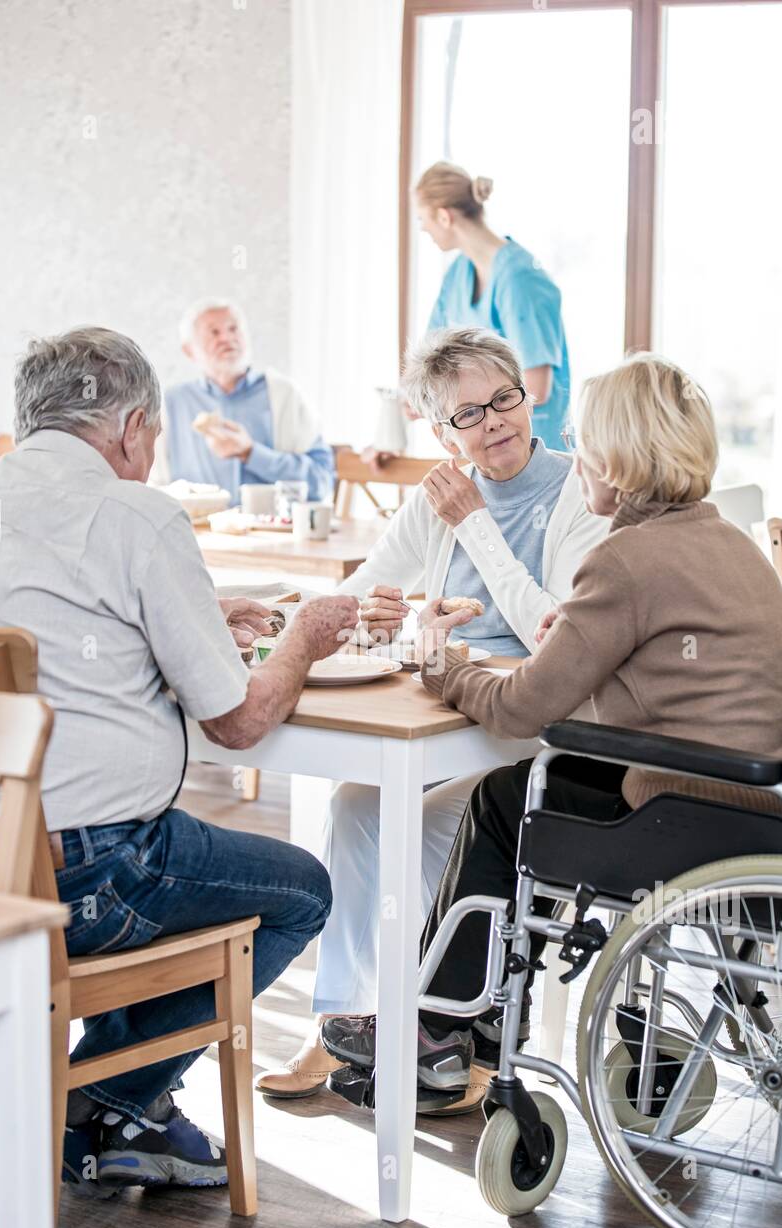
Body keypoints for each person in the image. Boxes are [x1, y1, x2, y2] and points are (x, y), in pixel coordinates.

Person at [320, 352, 782, 1108]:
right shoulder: (732, 543)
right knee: (517, 787)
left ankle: (442, 1028)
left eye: (585, 440)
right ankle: (467, 1024)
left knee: (503, 799)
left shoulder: (624, 559)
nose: (571, 452)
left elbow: (525, 706)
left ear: (616, 462)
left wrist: (439, 667)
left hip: (696, 813)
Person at [0, 326, 358, 1195]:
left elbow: (51, 616)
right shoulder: (136, 513)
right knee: (302, 891)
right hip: (87, 878)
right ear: (135, 425)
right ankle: (109, 1096)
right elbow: (241, 723)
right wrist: (304, 637)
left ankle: (117, 1110)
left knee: (192, 866)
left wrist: (191, 606)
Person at [256, 327, 607, 1107]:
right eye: (468, 415)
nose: (494, 422)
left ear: (527, 394)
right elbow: (370, 591)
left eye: (504, 399)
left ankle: (443, 1027)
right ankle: (348, 1018)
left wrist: (476, 524)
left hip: (525, 730)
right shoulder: (437, 498)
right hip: (449, 710)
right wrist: (376, 615)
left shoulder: (579, 490)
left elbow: (555, 634)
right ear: (440, 431)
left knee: (410, 830)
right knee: (356, 808)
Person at [415, 161, 571, 452]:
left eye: (423, 218)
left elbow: (536, 386)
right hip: (485, 454)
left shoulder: (520, 278)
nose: (423, 227)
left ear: (444, 216)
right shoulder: (458, 274)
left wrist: (470, 409)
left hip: (536, 455)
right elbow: (426, 366)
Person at [162, 297, 335, 500]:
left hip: (273, 530)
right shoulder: (168, 405)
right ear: (189, 351)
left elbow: (321, 483)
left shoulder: (285, 395)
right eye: (214, 332)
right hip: (195, 531)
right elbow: (152, 490)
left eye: (234, 329)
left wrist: (251, 453)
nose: (226, 338)